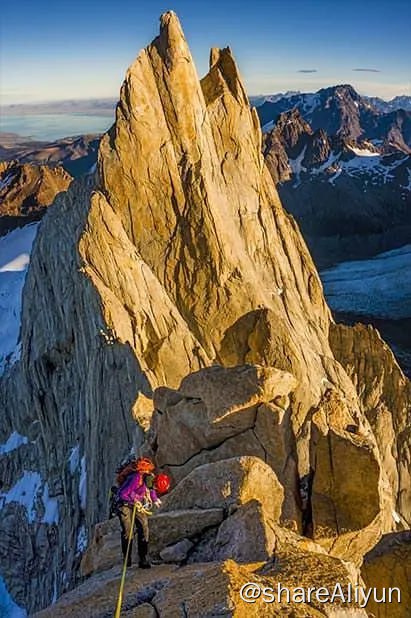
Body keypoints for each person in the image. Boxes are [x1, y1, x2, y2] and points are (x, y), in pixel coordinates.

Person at [116, 457, 161, 569]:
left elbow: (150, 490)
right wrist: (135, 499)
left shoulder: (149, 478)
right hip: (125, 504)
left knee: (144, 529)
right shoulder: (136, 478)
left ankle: (143, 558)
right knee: (128, 532)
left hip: (136, 505)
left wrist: (155, 499)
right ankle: (127, 559)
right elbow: (122, 494)